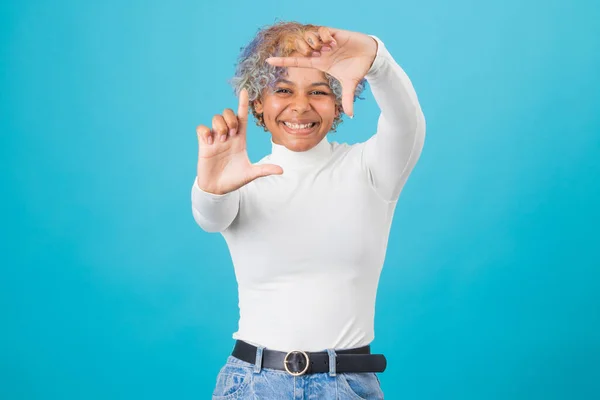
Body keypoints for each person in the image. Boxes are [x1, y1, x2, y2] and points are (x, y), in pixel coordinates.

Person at [191, 21, 426, 399]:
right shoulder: (239, 177)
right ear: (258, 105)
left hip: (346, 385)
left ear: (337, 107)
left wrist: (376, 60)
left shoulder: (370, 168)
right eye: (283, 90)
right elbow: (210, 217)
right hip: (251, 384)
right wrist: (211, 189)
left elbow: (408, 123)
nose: (300, 106)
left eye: (318, 92)